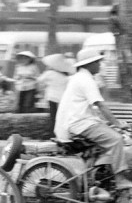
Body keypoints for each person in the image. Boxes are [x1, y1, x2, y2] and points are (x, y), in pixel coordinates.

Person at [54, 49, 132, 192]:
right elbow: (101, 105)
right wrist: (116, 123)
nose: (100, 65)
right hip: (79, 124)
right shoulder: (86, 80)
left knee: (106, 141)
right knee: (116, 139)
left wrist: (108, 123)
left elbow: (91, 109)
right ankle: (121, 180)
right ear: (89, 64)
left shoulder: (79, 78)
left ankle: (97, 180)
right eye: (97, 62)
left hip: (76, 123)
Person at [37, 54, 74, 137]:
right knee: (61, 117)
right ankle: (62, 134)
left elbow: (39, 80)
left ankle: (53, 134)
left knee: (53, 117)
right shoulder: (65, 75)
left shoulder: (49, 73)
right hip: (62, 98)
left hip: (52, 97)